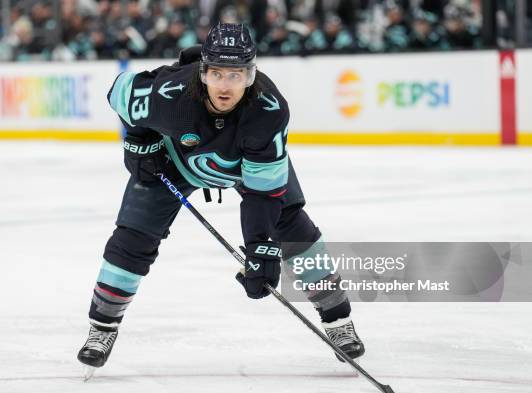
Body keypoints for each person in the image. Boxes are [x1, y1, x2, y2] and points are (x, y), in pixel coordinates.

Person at [77, 23, 365, 371]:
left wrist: (261, 247)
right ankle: (102, 326)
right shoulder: (170, 95)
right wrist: (140, 141)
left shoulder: (268, 110)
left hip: (245, 168)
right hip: (174, 162)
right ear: (203, 73)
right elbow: (120, 92)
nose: (224, 86)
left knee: (291, 226)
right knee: (132, 237)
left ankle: (338, 321)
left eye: (235, 75)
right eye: (216, 74)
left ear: (250, 75)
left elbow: (264, 195)